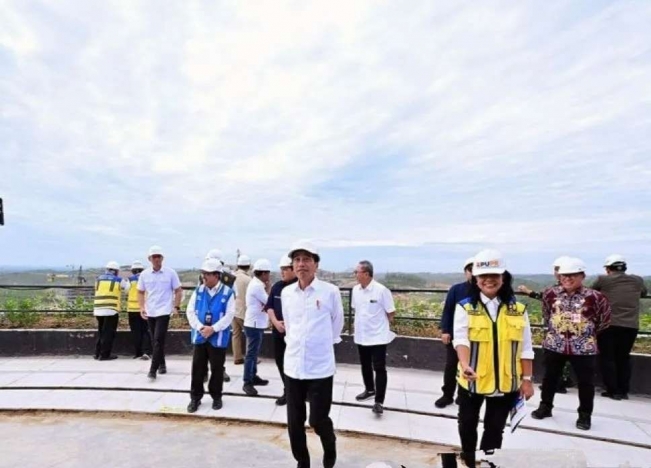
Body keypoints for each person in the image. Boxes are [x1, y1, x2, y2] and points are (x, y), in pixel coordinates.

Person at [453, 249, 535, 467]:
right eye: (483, 276)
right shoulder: (465, 308)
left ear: (503, 278)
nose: (489, 280)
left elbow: (526, 347)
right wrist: (464, 364)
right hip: (473, 379)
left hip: (507, 381)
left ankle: (488, 460)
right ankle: (469, 459)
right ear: (475, 279)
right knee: (467, 424)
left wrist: (527, 379)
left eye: (495, 276)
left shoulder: (518, 309)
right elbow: (460, 340)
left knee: (495, 428)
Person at [281, 240, 344, 468]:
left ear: (316, 264)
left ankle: (330, 449)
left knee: (317, 419)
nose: (301, 264)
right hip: (294, 367)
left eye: (306, 259)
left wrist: (321, 345)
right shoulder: (287, 294)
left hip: (320, 367)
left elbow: (337, 324)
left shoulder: (330, 292)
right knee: (294, 423)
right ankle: (303, 461)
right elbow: (288, 325)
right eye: (297, 260)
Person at [531, 257, 611, 431]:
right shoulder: (550, 294)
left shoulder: (595, 297)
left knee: (586, 382)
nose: (567, 278)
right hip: (555, 344)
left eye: (572, 275)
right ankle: (545, 407)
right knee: (549, 378)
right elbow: (547, 314)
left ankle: (584, 415)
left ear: (582, 276)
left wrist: (585, 334)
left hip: (583, 347)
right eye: (564, 275)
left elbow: (604, 320)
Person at [593, 254, 648, 400]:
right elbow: (643, 293)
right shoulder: (637, 280)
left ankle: (612, 390)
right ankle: (623, 390)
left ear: (608, 269)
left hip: (608, 324)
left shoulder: (603, 280)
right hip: (630, 326)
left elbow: (592, 293)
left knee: (607, 358)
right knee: (623, 358)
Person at [517, 256, 574, 394]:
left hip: (557, 331)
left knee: (553, 361)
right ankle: (561, 382)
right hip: (572, 331)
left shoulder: (558, 289)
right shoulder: (575, 290)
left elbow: (545, 297)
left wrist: (529, 292)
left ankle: (556, 386)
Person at [185, 259, 235, 413]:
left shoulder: (228, 293)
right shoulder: (198, 291)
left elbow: (229, 315)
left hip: (217, 337)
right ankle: (195, 398)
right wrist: (201, 327)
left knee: (217, 369)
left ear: (216, 275)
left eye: (207, 274)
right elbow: (190, 311)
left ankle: (216, 396)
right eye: (203, 273)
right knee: (197, 368)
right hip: (200, 336)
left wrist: (213, 328)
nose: (204, 277)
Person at [352, 260, 396, 415]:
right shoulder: (355, 290)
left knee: (379, 368)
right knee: (365, 365)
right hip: (361, 335)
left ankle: (379, 401)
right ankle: (369, 390)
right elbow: (356, 310)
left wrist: (380, 326)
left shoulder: (381, 290)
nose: (355, 275)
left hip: (378, 337)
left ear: (366, 273)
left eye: (357, 272)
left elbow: (391, 313)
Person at [137, 245, 183, 380]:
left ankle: (153, 369)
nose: (157, 259)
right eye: (154, 257)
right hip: (151, 311)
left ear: (162, 258)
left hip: (164, 311)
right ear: (150, 259)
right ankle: (162, 364)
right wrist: (141, 307)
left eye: (159, 256)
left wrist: (176, 306)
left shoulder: (170, 273)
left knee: (158, 339)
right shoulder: (144, 274)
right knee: (155, 340)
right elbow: (140, 291)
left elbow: (178, 290)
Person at [435, 257, 474, 408]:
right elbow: (448, 311)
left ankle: (463, 395)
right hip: (456, 336)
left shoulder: (483, 291)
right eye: (470, 270)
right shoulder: (456, 289)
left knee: (470, 367)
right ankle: (447, 395)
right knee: (451, 366)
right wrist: (445, 330)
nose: (473, 273)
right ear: (465, 272)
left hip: (476, 337)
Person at [265, 254, 298, 406]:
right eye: (281, 269)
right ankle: (288, 390)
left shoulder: (299, 287)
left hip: (295, 335)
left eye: (286, 269)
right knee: (281, 362)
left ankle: (299, 391)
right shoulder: (277, 287)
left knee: (296, 363)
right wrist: (275, 322)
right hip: (278, 333)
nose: (283, 272)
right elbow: (269, 307)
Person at [203, 249, 234, 382]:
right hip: (204, 317)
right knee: (202, 347)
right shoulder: (203, 275)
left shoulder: (229, 278)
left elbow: (234, 294)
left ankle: (220, 370)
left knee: (219, 347)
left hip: (221, 316)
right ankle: (203, 371)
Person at [242, 258, 272, 396]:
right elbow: (268, 301)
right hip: (253, 324)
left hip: (256, 323)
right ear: (264, 273)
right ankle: (247, 382)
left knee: (253, 353)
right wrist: (269, 287)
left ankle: (253, 377)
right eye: (268, 273)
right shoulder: (257, 286)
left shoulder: (257, 284)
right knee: (251, 354)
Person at [93, 261, 129, 361]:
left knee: (101, 332)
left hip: (98, 309)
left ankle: (97, 353)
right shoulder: (118, 279)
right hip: (111, 310)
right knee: (108, 333)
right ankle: (105, 355)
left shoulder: (98, 279)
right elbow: (127, 289)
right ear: (116, 271)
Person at [126, 260, 152, 360]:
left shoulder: (130, 279)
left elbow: (126, 290)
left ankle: (137, 353)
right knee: (146, 330)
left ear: (132, 270)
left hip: (132, 310)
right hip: (145, 309)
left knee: (136, 331)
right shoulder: (147, 277)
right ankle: (146, 352)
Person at [233, 254, 252, 365]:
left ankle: (237, 357)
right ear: (248, 266)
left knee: (236, 334)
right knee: (250, 335)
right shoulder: (248, 280)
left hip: (233, 310)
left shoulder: (232, 277)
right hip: (244, 311)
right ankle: (250, 357)